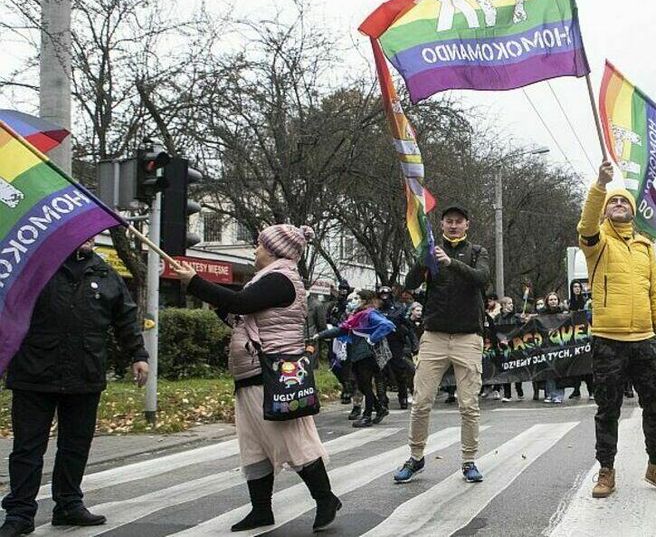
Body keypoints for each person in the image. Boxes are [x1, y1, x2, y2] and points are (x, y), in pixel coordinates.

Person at [173, 224, 341, 532]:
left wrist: (195, 282)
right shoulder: (268, 280)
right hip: (253, 373)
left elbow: (240, 304)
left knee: (293, 443)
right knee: (254, 447)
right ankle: (261, 510)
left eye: (259, 246)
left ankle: (326, 499)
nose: (255, 250)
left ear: (275, 251)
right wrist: (214, 299)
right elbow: (241, 316)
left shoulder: (280, 278)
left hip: (272, 376)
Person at [0, 237, 149, 537]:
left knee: (76, 444)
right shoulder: (35, 269)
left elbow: (125, 317)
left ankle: (68, 503)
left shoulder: (105, 274)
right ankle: (19, 513)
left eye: (93, 235)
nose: (89, 238)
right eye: (82, 234)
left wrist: (138, 355)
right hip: (34, 373)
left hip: (85, 372)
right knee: (27, 448)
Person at [580, 161, 656, 499]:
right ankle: (606, 471)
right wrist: (600, 185)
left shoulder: (645, 247)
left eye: (624, 202)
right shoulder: (597, 243)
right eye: (614, 202)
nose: (619, 205)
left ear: (633, 211)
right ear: (606, 210)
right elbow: (586, 223)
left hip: (644, 340)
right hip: (608, 339)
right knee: (607, 409)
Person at [394, 204, 491, 484]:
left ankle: (469, 461)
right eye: (448, 221)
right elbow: (409, 284)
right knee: (421, 402)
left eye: (458, 221)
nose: (453, 225)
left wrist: (452, 263)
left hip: (468, 337)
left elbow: (482, 278)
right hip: (434, 335)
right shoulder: (432, 251)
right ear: (442, 225)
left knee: (469, 405)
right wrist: (423, 260)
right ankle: (415, 457)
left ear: (467, 225)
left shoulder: (477, 252)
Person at [317, 290, 395, 428]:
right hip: (357, 355)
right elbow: (341, 330)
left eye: (357, 298)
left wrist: (372, 338)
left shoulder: (370, 314)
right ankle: (380, 409)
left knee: (365, 384)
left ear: (365, 301)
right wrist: (319, 336)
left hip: (368, 355)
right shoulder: (356, 316)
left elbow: (387, 325)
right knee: (361, 385)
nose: (352, 301)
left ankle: (367, 415)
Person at [495, 297, 526, 402]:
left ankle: (519, 389)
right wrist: (501, 340)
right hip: (503, 347)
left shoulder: (516, 317)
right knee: (505, 369)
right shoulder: (498, 318)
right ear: (503, 305)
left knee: (517, 368)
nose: (511, 305)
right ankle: (507, 394)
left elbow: (522, 329)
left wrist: (523, 321)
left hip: (516, 346)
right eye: (509, 303)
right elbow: (495, 331)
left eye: (512, 303)